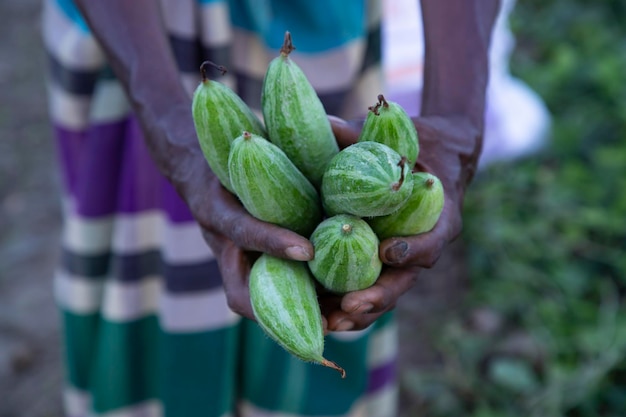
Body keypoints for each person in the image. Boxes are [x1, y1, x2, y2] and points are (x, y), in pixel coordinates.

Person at [42, 0, 500, 416]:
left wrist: (457, 115)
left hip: (322, 31)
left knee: (332, 326)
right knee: (145, 280)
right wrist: (165, 120)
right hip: (137, 41)